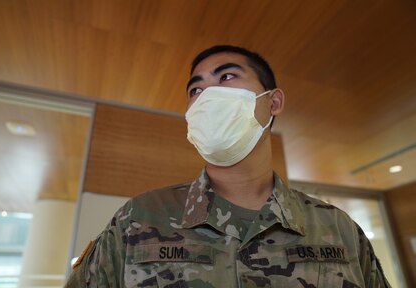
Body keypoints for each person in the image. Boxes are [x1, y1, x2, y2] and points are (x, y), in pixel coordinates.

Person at [65, 45, 390, 287]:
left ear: (273, 102)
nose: (207, 97)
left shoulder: (338, 229)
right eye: (196, 89)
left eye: (227, 76)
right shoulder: (136, 220)